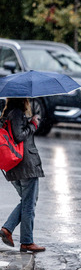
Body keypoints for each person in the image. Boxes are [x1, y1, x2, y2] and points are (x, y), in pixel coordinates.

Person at [0, 98, 45, 252]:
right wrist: (33, 124)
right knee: (29, 203)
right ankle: (26, 241)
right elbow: (20, 135)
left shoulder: (7, 114)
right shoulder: (17, 113)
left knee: (27, 200)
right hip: (25, 164)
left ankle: (8, 229)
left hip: (15, 166)